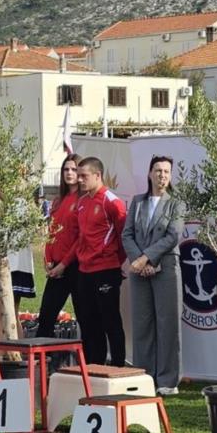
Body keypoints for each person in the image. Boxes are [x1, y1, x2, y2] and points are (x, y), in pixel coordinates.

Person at [121, 155, 182, 395]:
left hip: (165, 269)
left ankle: (167, 380)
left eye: (166, 171)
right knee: (142, 323)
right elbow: (127, 234)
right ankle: (144, 375)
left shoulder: (176, 204)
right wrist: (139, 262)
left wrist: (146, 258)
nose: (162, 175)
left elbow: (173, 236)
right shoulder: (137, 202)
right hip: (139, 271)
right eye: (158, 170)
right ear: (149, 173)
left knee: (168, 323)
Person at [74, 157, 127, 366]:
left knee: (110, 320)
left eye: (84, 176)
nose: (79, 180)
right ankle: (94, 365)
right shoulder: (82, 202)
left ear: (98, 176)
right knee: (88, 320)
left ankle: (118, 365)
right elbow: (82, 236)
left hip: (106, 269)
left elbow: (124, 237)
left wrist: (114, 261)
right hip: (84, 269)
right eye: (78, 176)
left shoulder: (112, 202)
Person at [37, 154, 82, 339]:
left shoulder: (82, 200)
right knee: (46, 315)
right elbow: (52, 233)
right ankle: (43, 359)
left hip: (75, 266)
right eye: (66, 169)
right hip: (56, 267)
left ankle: (89, 361)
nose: (69, 173)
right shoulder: (58, 200)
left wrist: (64, 264)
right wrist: (48, 260)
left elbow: (80, 237)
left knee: (85, 317)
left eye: (74, 169)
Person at [0, 244, 35, 342]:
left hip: (11, 264)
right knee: (11, 315)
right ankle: (18, 353)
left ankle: (0, 354)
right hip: (16, 263)